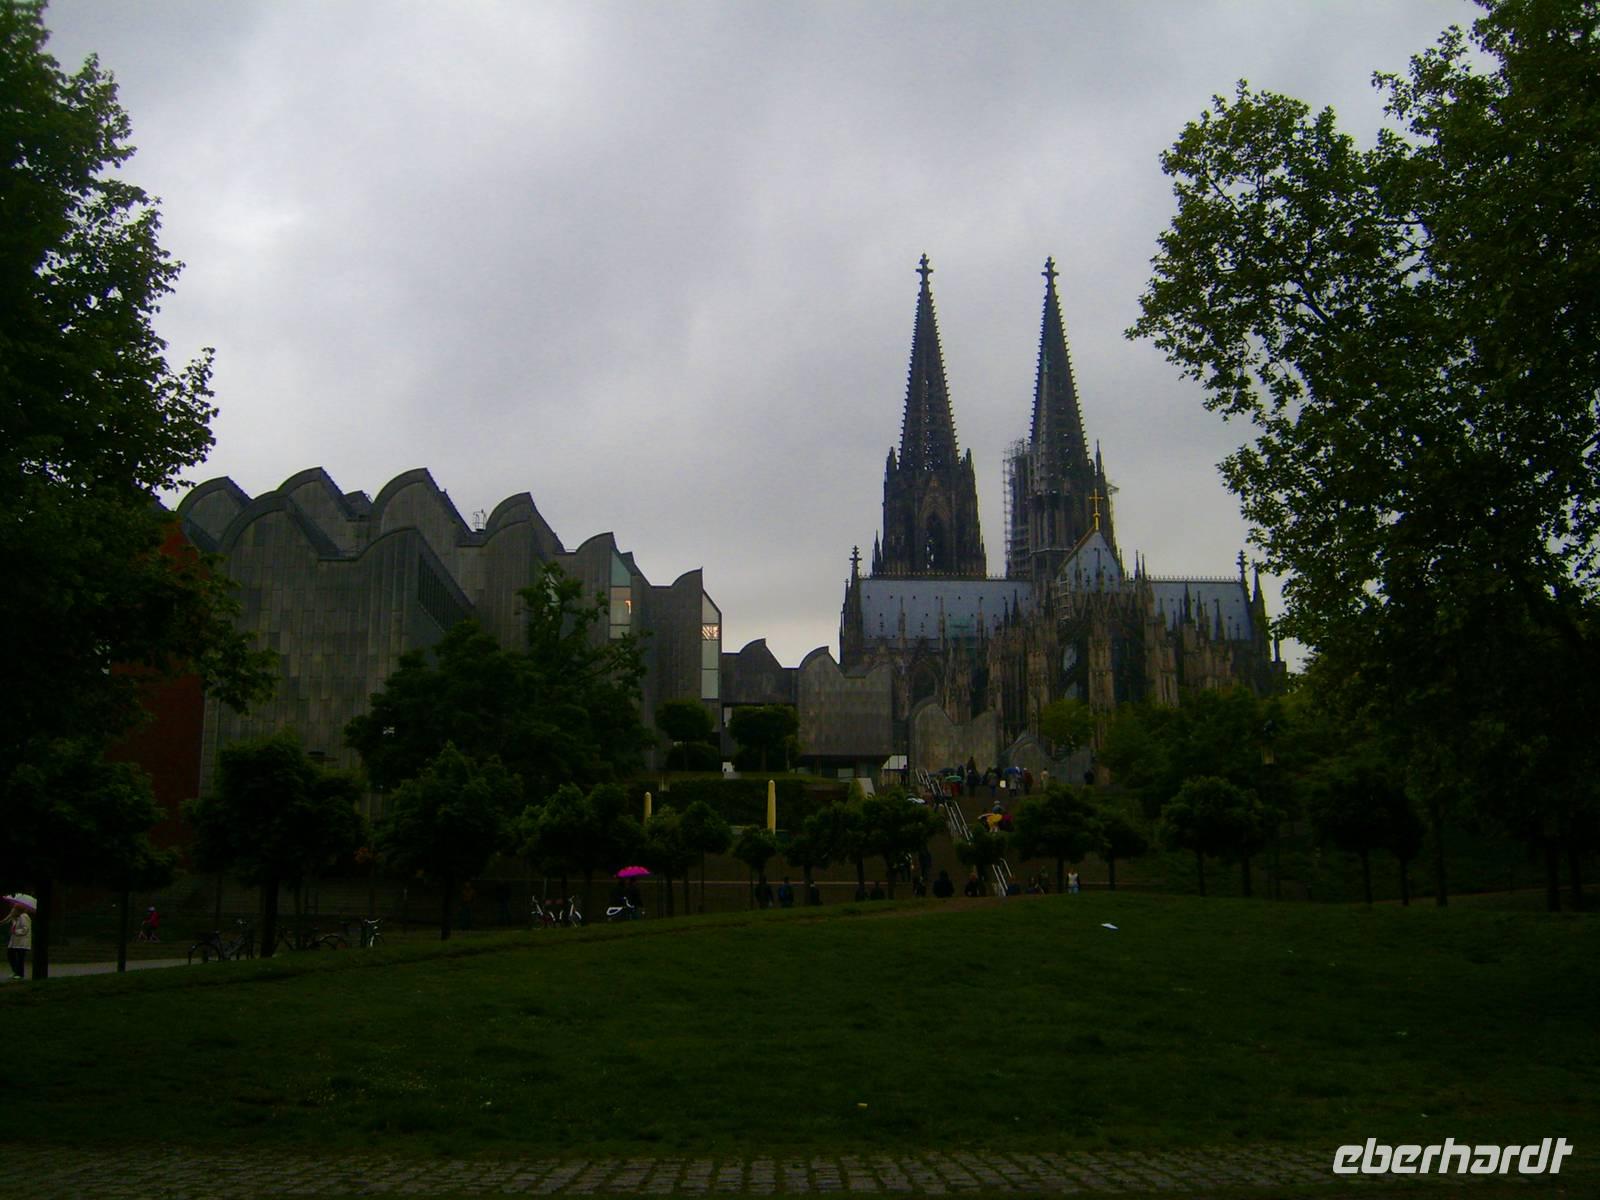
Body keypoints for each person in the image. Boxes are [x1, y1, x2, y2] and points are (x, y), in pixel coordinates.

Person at [5, 897, 32, 981]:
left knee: (20, 958)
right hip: (15, 941)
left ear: (18, 910)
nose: (12, 910)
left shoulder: (24, 916)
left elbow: (25, 929)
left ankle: (20, 974)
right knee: (10, 954)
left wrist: (15, 931)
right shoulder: (15, 917)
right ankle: (15, 971)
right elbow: (7, 920)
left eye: (14, 909)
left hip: (22, 942)